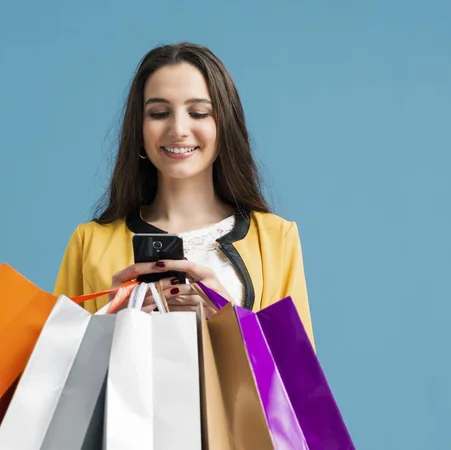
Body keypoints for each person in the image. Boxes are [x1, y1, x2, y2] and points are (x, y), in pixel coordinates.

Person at [53, 42, 314, 345]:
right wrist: (108, 326)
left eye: (199, 113)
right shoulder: (89, 243)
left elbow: (298, 379)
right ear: (139, 128)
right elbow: (51, 374)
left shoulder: (276, 239)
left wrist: (232, 321)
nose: (178, 129)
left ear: (225, 126)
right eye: (159, 112)